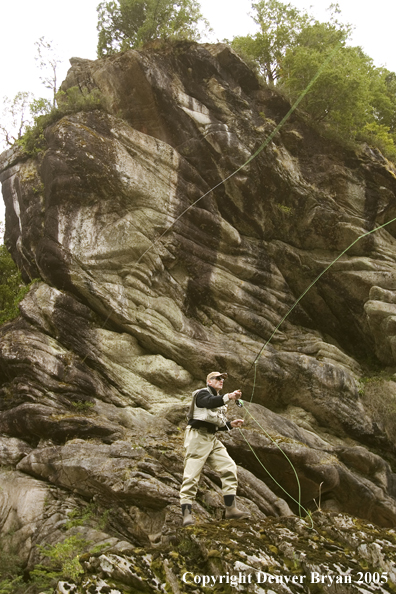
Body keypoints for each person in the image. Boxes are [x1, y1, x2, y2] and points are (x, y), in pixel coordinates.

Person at [180, 371, 249, 526]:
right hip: (197, 437)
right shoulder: (201, 394)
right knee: (191, 475)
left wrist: (231, 424)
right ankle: (186, 516)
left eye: (223, 378)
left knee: (229, 467)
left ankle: (231, 510)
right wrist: (229, 397)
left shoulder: (219, 401)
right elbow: (209, 402)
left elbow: (216, 423)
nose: (221, 380)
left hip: (212, 438)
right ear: (209, 381)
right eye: (218, 378)